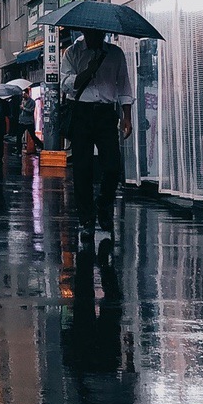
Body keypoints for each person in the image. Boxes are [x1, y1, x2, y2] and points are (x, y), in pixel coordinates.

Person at [61, 26, 134, 249]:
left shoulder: (115, 53)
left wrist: (127, 116)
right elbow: (65, 84)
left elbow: (124, 85)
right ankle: (86, 220)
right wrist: (87, 71)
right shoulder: (72, 52)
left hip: (105, 113)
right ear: (84, 31)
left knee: (112, 166)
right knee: (82, 168)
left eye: (100, 33)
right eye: (91, 32)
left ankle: (103, 204)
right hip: (81, 113)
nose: (96, 36)